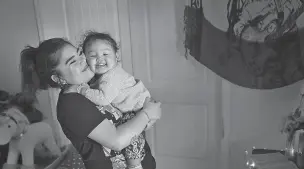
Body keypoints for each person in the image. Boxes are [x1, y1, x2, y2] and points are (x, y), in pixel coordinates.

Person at [19, 38, 161, 169]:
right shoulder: (71, 104)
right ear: (57, 78)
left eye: (80, 53)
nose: (83, 59)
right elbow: (116, 141)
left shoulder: (92, 85)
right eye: (72, 61)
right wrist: (147, 113)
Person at [66, 31, 154, 169]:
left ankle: (135, 165)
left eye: (105, 54)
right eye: (93, 55)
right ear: (86, 59)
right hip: (135, 109)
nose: (100, 58)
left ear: (117, 56)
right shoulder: (100, 77)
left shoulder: (112, 76)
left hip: (136, 109)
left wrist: (83, 90)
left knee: (132, 138)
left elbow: (102, 99)